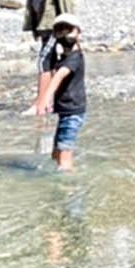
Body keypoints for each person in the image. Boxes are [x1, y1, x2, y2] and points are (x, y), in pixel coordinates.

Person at [21, 0, 75, 109]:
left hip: (55, 25)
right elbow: (34, 2)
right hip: (43, 25)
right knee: (50, 61)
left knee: (43, 60)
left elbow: (64, 1)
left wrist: (70, 27)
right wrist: (34, 27)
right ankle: (49, 102)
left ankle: (40, 103)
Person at [33, 16, 86, 172]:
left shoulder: (75, 58)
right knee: (55, 154)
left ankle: (69, 189)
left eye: (68, 30)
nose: (64, 34)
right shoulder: (64, 56)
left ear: (78, 33)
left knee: (64, 156)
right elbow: (45, 62)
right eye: (60, 30)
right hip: (65, 111)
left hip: (73, 113)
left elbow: (58, 76)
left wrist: (43, 100)